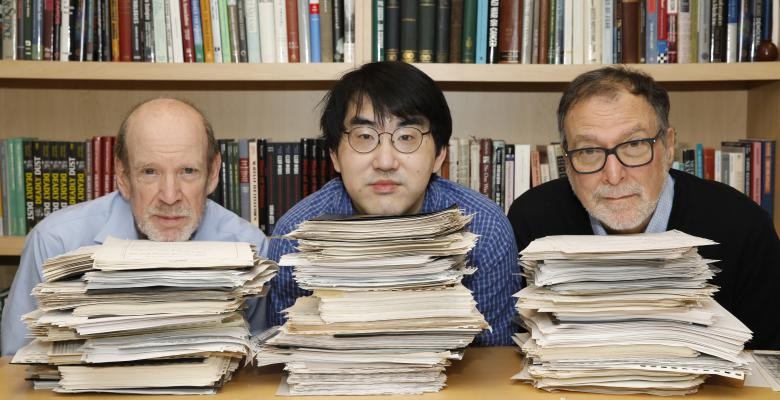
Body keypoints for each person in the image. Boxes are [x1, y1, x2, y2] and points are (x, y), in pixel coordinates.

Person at [507, 66, 780, 350]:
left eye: (634, 145)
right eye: (588, 151)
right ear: (567, 158)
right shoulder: (533, 222)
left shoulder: (743, 226)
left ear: (669, 145)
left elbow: (767, 362)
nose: (613, 175)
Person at [266, 61, 520, 346]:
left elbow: (493, 363)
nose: (385, 162)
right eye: (364, 137)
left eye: (406, 137)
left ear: (439, 156)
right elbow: (290, 360)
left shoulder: (483, 228)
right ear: (335, 156)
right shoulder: (297, 237)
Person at [1, 98, 270, 355]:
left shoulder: (251, 248)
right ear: (123, 176)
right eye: (149, 172)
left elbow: (256, 368)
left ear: (212, 174)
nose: (169, 196)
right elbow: (16, 364)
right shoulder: (55, 243)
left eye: (188, 171)